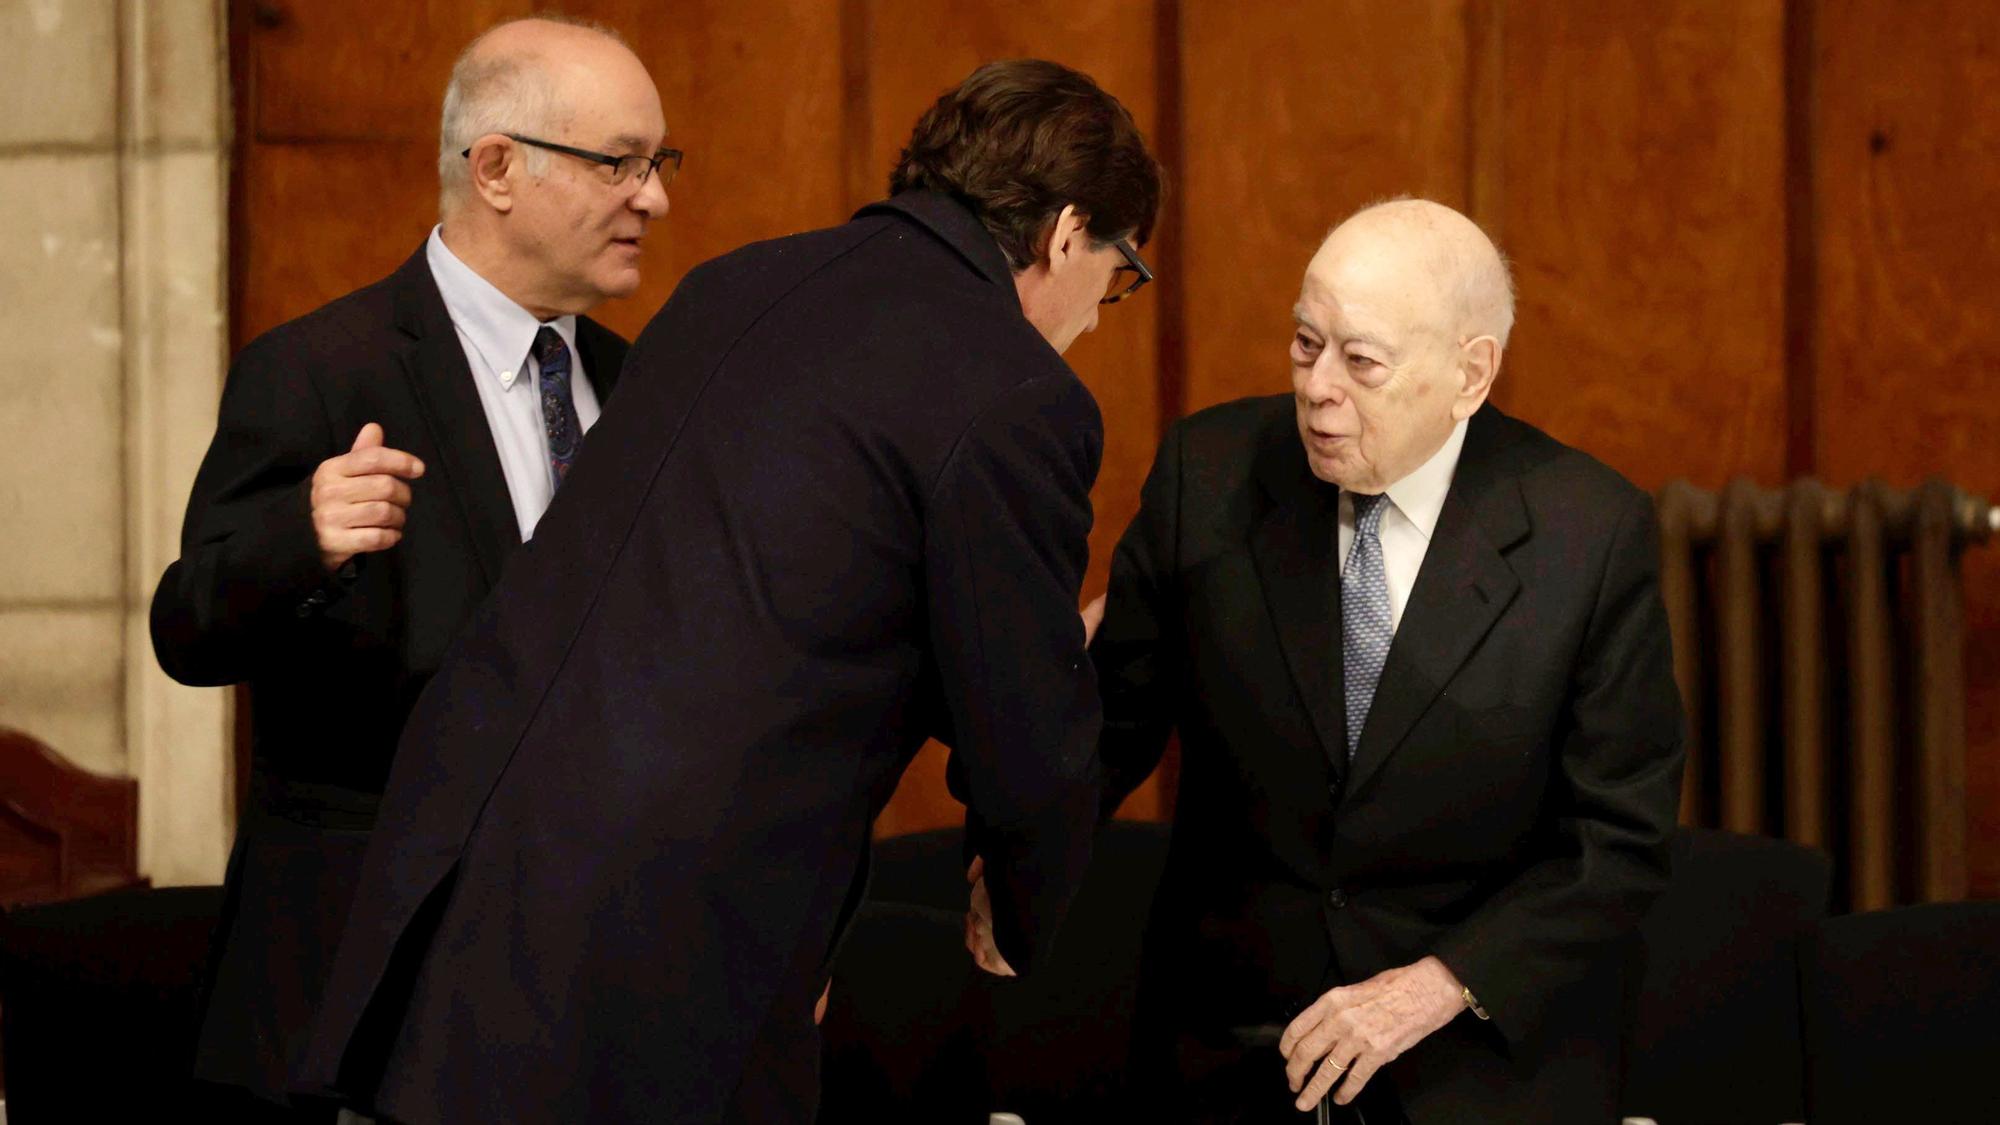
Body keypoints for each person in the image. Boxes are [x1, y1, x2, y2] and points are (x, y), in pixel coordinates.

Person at [296, 58, 1164, 1125]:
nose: (1097, 312)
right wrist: (1020, 896)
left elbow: (782, 596)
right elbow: (1018, 728)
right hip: (660, 940)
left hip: (463, 860)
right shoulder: (1015, 391)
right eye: (1119, 276)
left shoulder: (736, 283)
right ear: (1070, 232)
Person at [149, 17, 670, 1119]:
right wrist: (302, 538)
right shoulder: (318, 371)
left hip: (590, 996)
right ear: (496, 169)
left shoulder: (642, 391)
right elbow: (185, 630)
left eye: (657, 164)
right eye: (618, 163)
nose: (652, 198)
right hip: (363, 994)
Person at [1088, 198, 1685, 1122]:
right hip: (1233, 1044)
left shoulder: (1587, 534)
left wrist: (1441, 984)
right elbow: (1110, 722)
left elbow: (1619, 838)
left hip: (1473, 1059)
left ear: (1469, 373)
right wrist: (1014, 857)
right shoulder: (1206, 476)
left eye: (1361, 360)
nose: (1319, 386)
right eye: (1303, 342)